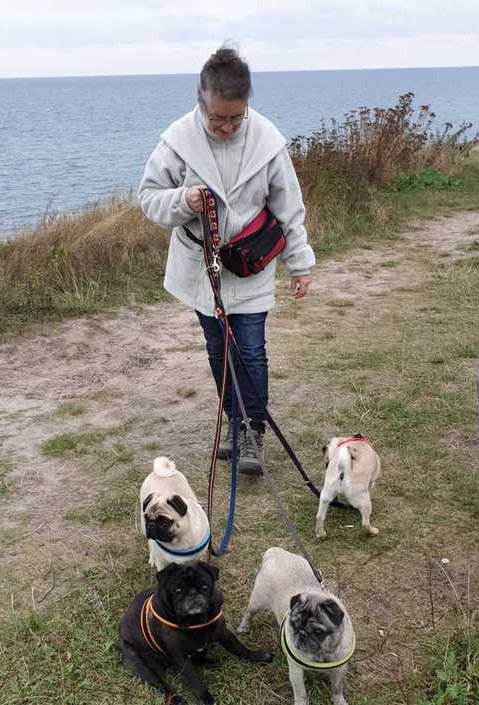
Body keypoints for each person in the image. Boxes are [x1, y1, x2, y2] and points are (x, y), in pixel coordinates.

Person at [138, 45, 315, 475]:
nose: (227, 127)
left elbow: (289, 207)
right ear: (200, 100)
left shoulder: (268, 141)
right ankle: (235, 424)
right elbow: (149, 199)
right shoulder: (176, 141)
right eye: (217, 118)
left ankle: (253, 432)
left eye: (236, 118)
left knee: (250, 350)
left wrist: (299, 263)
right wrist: (184, 200)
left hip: (252, 263)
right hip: (202, 269)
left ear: (247, 104)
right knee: (219, 349)